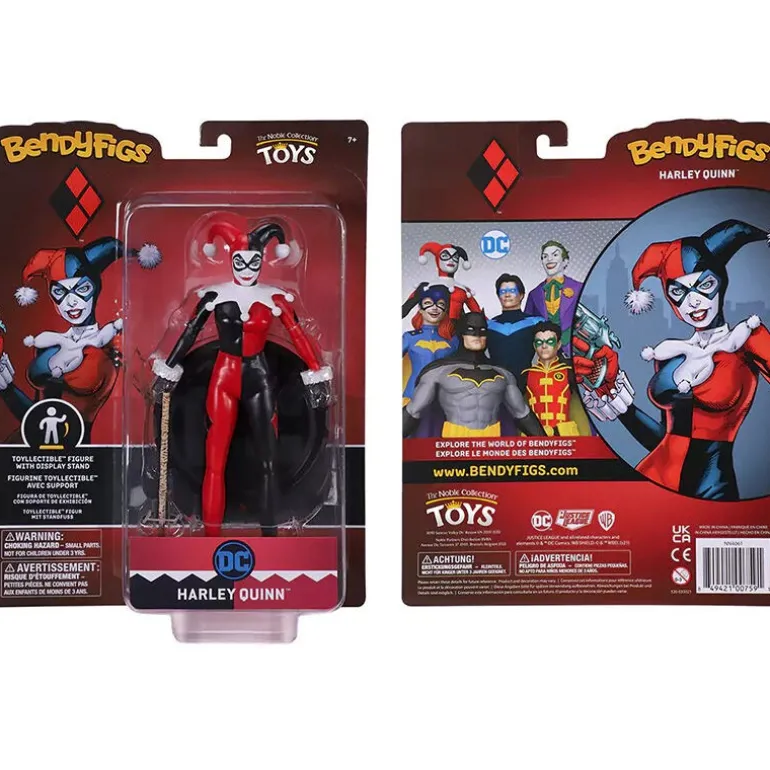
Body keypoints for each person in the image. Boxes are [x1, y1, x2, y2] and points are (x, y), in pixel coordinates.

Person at [151, 219, 331, 536]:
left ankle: (270, 535)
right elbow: (189, 334)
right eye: (240, 262)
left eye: (253, 262)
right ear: (229, 258)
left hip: (259, 378)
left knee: (268, 461)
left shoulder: (275, 298)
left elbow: (298, 335)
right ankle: (211, 534)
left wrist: (317, 373)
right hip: (224, 376)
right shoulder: (213, 296)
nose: (247, 269)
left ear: (262, 261)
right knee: (214, 460)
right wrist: (168, 370)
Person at [573, 219, 770, 500]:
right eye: (679, 292)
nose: (694, 302)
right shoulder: (672, 352)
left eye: (705, 285)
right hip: (654, 479)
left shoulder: (747, 338)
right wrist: (619, 403)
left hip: (713, 487)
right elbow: (666, 439)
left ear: (721, 282)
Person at [403, 311, 545, 438]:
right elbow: (413, 411)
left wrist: (548, 448)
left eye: (482, 331)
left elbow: (522, 413)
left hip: (492, 444)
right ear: (461, 333)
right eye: (471, 330)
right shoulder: (438, 371)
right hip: (454, 443)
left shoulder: (504, 374)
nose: (477, 336)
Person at [486, 273, 543, 391]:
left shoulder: (537, 323)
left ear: (521, 295)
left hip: (529, 387)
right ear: (498, 296)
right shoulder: (488, 325)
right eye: (502, 291)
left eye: (512, 291)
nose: (507, 295)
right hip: (496, 387)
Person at [524, 240, 583, 355]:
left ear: (565, 261)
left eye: (555, 255)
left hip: (575, 351)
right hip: (545, 354)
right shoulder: (534, 294)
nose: (549, 259)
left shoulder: (580, 288)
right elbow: (528, 327)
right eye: (545, 256)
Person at [522, 321, 580, 436]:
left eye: (550, 341)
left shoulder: (569, 372)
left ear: (558, 344)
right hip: (535, 436)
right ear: (534, 346)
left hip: (565, 436)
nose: (544, 346)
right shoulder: (526, 374)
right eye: (539, 342)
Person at [402, 284, 457, 403]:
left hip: (443, 397)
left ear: (446, 310)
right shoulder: (410, 337)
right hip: (413, 394)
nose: (435, 308)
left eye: (441, 304)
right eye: (428, 303)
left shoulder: (453, 340)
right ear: (420, 309)